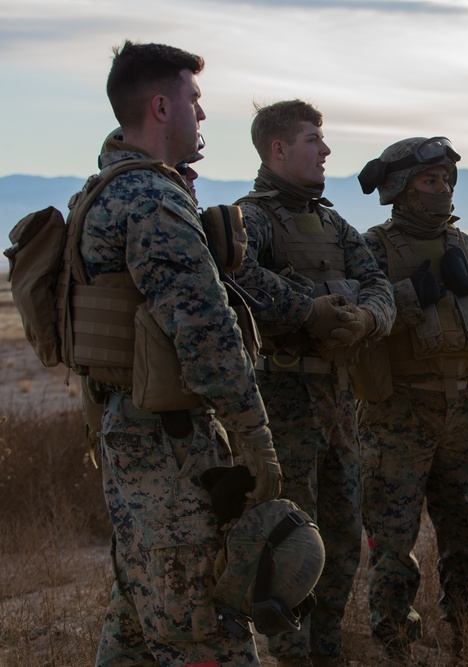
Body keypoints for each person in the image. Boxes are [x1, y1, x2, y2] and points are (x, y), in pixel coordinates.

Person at [85, 41, 281, 665]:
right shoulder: (153, 200)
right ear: (163, 107)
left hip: (132, 439)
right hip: (168, 448)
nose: (203, 114)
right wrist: (256, 439)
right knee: (206, 633)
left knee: (141, 620)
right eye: (195, 100)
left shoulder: (104, 191)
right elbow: (205, 333)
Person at [355, 137, 468, 665]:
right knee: (391, 544)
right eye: (430, 181)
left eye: (447, 180)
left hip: (462, 416)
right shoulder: (370, 250)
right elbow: (357, 327)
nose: (443, 189)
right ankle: (394, 647)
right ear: (401, 189)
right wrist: (418, 291)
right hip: (395, 418)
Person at [232, 99, 395, 667]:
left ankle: (325, 654)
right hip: (285, 409)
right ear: (278, 149)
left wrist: (366, 319)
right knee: (292, 548)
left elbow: (379, 286)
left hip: (339, 407)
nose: (326, 150)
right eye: (312, 140)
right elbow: (238, 275)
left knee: (344, 543)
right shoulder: (248, 220)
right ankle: (292, 658)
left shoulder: (333, 223)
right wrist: (308, 312)